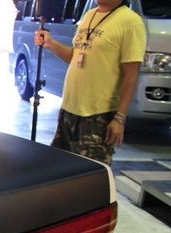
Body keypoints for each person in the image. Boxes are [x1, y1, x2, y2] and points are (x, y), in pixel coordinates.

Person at [35, 0, 146, 165]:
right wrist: (50, 43)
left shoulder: (131, 22)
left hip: (98, 114)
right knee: (61, 169)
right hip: (69, 110)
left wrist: (119, 118)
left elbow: (131, 74)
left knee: (91, 173)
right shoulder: (89, 16)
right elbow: (75, 57)